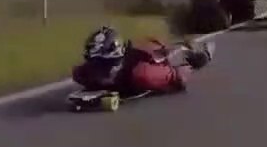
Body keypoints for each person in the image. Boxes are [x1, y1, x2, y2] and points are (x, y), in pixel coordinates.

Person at [71, 26, 213, 96]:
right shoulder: (84, 73)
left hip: (147, 60)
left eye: (99, 61)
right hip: (138, 51)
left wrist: (182, 70)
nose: (95, 67)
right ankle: (182, 47)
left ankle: (198, 57)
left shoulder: (141, 74)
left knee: (169, 69)